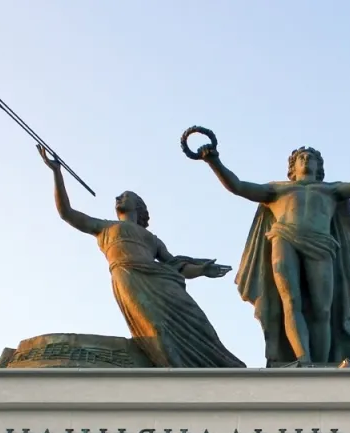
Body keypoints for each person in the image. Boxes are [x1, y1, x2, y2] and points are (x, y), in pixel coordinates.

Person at [196, 141, 350, 366]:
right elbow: (238, 186)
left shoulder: (331, 189)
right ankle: (303, 359)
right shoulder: (278, 189)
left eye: (311, 157)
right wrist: (213, 161)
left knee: (323, 308)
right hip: (284, 238)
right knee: (290, 301)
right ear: (292, 167)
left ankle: (321, 364)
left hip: (321, 244)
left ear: (319, 167)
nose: (306, 159)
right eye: (301, 157)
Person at [37, 145, 245, 368]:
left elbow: (177, 266)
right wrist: (57, 172)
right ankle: (178, 371)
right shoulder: (104, 227)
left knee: (197, 320)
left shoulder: (152, 239)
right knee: (155, 326)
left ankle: (219, 368)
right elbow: (66, 213)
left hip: (162, 281)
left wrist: (202, 270)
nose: (118, 197)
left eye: (125, 196)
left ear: (138, 206)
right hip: (130, 276)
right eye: (118, 197)